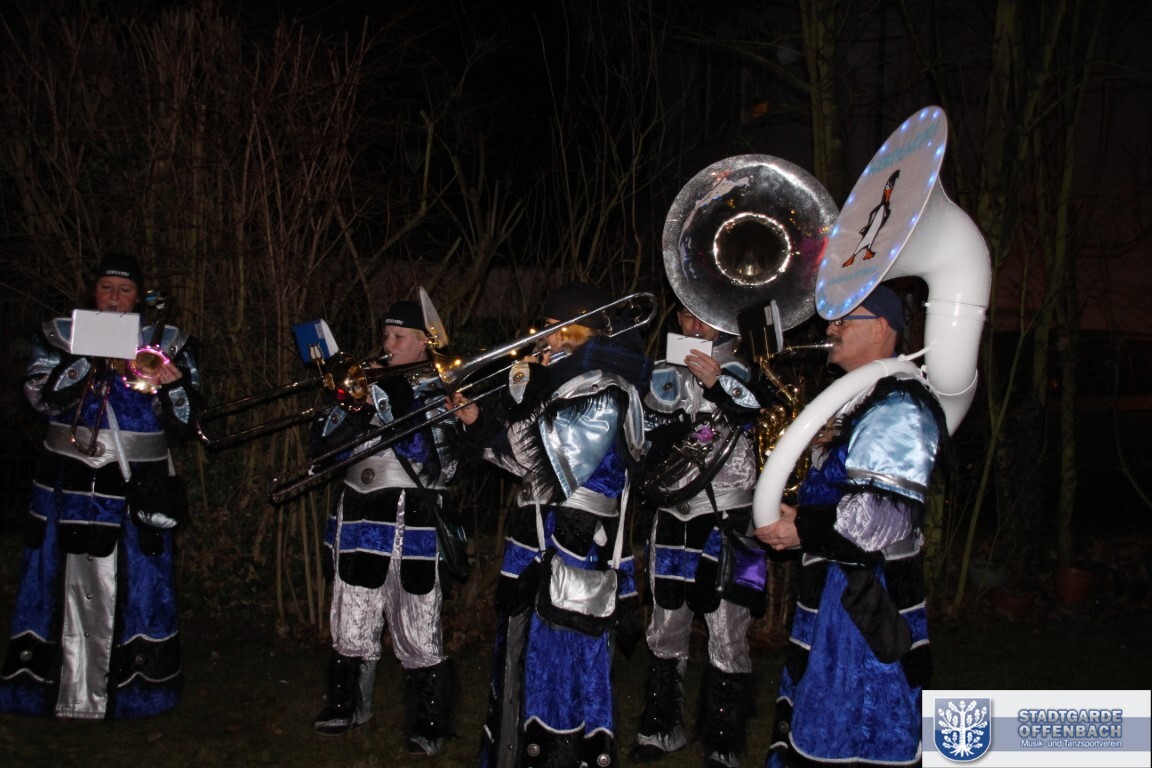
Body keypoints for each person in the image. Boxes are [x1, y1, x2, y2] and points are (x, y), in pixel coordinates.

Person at [454, 282, 651, 768]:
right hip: (533, 547)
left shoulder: (605, 390)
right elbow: (518, 462)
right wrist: (477, 420)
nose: (541, 337)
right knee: (520, 665)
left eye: (550, 328)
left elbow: (544, 460)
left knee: (560, 676)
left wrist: (522, 401)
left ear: (577, 331)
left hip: (571, 553)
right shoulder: (564, 384)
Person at [0, 253, 202, 719]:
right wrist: (88, 359)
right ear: (93, 291)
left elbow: (188, 422)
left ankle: (137, 691)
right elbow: (39, 398)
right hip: (65, 484)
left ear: (139, 297)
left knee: (139, 583)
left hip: (136, 487)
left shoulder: (168, 342)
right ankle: (51, 688)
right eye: (106, 288)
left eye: (125, 290)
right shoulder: (59, 335)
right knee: (53, 579)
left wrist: (172, 386)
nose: (114, 298)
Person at [753, 284, 945, 767]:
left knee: (856, 729)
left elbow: (877, 519)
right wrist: (802, 513)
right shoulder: (866, 402)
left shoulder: (899, 407)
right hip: (841, 594)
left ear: (880, 328)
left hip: (868, 607)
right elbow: (841, 497)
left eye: (844, 320)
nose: (830, 328)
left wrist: (802, 530)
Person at [310, 299, 468, 756]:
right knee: (350, 614)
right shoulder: (362, 385)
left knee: (417, 620)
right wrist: (351, 406)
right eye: (385, 335)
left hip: (412, 519)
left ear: (424, 344)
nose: (387, 344)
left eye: (399, 337)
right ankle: (348, 704)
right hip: (359, 515)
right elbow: (323, 451)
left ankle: (429, 721)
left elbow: (438, 460)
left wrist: (394, 397)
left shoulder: (441, 388)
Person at [632, 306, 768, 768]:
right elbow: (644, 436)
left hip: (729, 520)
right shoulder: (663, 370)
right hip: (672, 517)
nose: (695, 327)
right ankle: (661, 727)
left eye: (704, 318)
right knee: (665, 624)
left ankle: (723, 741)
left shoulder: (746, 369)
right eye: (688, 318)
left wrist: (718, 384)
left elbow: (756, 412)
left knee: (728, 630)